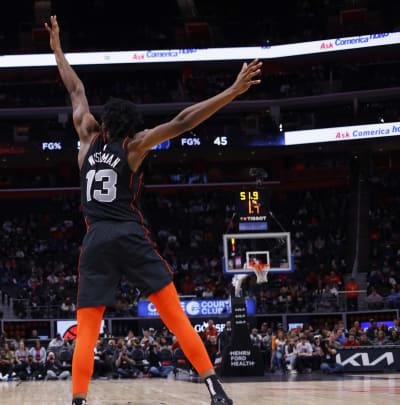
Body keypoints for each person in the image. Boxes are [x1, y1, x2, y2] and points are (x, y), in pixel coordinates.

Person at [45, 15, 260, 405]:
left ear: (103, 121)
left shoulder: (86, 138)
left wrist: (57, 49)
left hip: (95, 240)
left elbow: (75, 89)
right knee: (175, 316)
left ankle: (77, 400)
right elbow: (182, 121)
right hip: (128, 233)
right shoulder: (135, 144)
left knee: (88, 327)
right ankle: (215, 390)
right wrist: (231, 90)